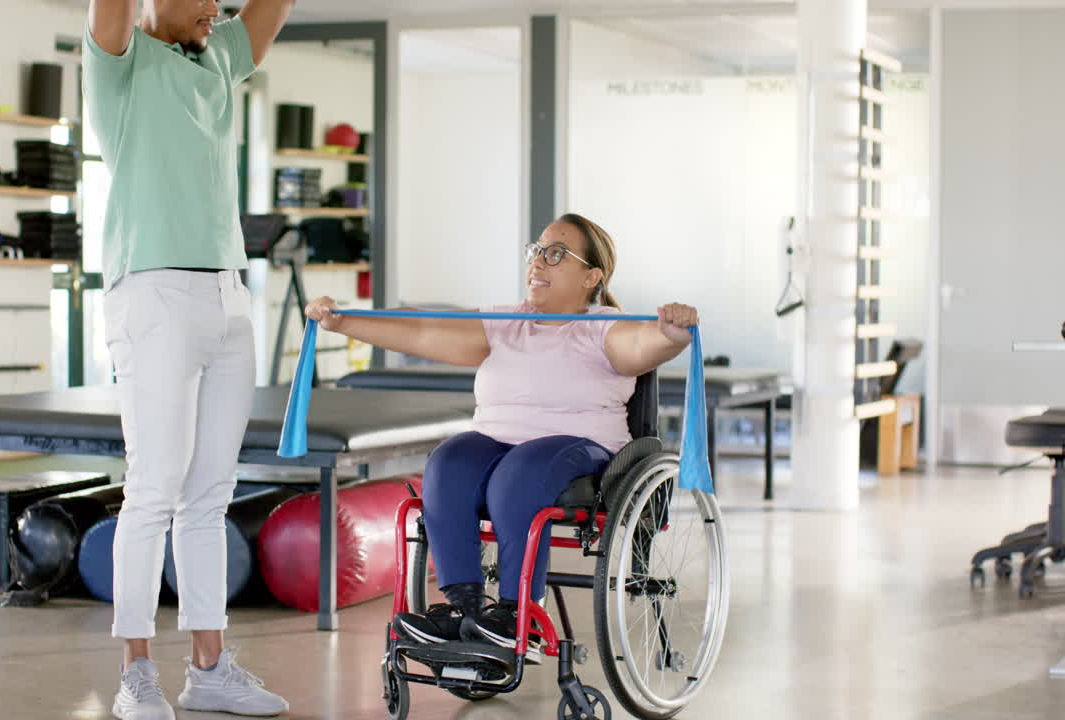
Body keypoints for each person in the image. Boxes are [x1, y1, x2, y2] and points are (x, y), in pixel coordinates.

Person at [304, 213, 698, 663]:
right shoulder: (508, 320)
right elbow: (422, 331)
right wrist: (342, 323)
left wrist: (671, 331)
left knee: (520, 473)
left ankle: (518, 614)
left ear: (591, 276)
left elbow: (644, 346)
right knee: (448, 463)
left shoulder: (605, 326)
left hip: (576, 447)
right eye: (536, 251)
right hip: (495, 443)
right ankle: (467, 608)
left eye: (555, 254)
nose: (538, 263)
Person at [82, 0, 295, 717]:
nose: (215, 8)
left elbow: (273, 7)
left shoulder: (217, 57)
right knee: (153, 487)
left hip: (228, 295)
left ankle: (209, 667)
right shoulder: (120, 61)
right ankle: (135, 674)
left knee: (209, 493)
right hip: (153, 293)